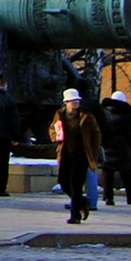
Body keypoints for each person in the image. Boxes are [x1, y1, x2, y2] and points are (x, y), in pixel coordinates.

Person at [51, 89, 101, 225]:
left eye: (77, 101)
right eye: (72, 102)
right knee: (63, 182)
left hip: (81, 155)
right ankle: (82, 201)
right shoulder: (60, 115)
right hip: (65, 154)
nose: (75, 104)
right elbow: (52, 130)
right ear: (66, 103)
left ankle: (75, 215)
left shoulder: (86, 116)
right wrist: (55, 137)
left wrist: (94, 153)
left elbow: (96, 134)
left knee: (76, 185)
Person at [98, 90, 131, 207]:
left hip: (107, 147)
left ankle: (108, 197)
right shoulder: (126, 115)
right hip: (122, 148)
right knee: (127, 174)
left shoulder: (104, 113)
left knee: (108, 174)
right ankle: (130, 197)